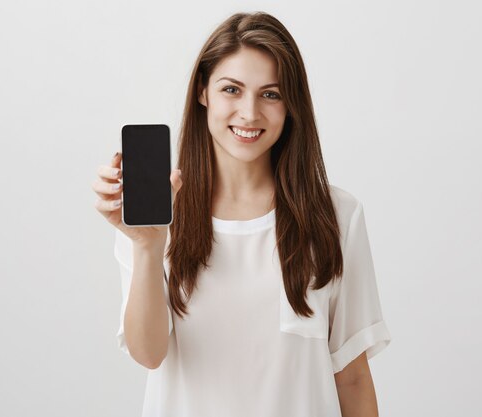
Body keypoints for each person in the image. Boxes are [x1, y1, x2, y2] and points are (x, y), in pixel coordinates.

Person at [93, 11, 392, 417]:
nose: (250, 113)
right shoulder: (156, 215)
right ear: (203, 92)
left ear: (291, 105)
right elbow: (148, 354)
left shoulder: (336, 216)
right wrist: (147, 247)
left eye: (270, 94)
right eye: (231, 89)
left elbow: (353, 378)